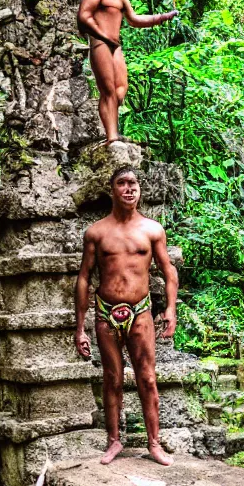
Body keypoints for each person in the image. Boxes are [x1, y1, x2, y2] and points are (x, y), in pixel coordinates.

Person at [74, 165, 178, 465]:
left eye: (133, 183)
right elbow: (84, 278)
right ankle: (114, 441)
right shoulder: (96, 232)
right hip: (106, 312)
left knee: (147, 377)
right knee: (112, 378)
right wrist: (80, 327)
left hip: (141, 312)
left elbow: (168, 272)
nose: (129, 188)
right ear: (113, 190)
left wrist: (170, 309)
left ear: (140, 189)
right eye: (122, 183)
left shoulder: (152, 230)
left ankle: (155, 443)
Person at [77, 0, 178, 144]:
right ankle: (112, 137)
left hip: (115, 46)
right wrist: (102, 35)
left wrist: (162, 17)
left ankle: (113, 132)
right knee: (108, 91)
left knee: (121, 90)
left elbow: (135, 20)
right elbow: (84, 16)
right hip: (100, 44)